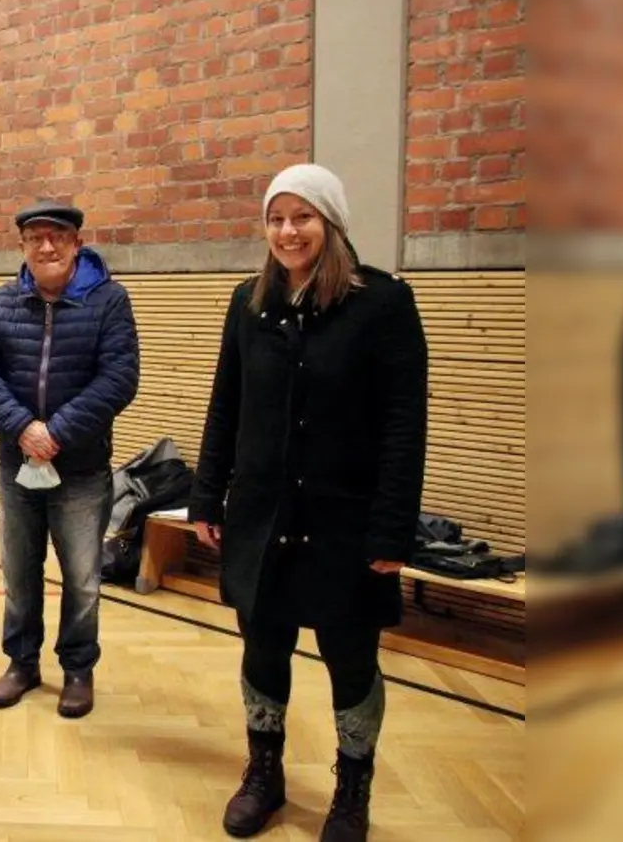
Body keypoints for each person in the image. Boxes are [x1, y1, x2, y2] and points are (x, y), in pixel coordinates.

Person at [187, 164, 428, 842]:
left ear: (331, 222)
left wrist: (392, 531)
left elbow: (404, 427)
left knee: (351, 659)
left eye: (303, 217)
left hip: (345, 524)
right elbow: (226, 406)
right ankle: (264, 772)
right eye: (277, 219)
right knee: (263, 650)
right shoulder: (249, 302)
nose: (288, 232)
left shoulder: (382, 304)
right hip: (261, 518)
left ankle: (352, 788)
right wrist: (207, 496)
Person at [0, 200, 140, 721]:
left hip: (81, 469)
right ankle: (22, 663)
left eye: (57, 237)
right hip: (16, 463)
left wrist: (56, 433)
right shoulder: (2, 302)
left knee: (82, 578)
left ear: (77, 243)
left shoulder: (109, 301)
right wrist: (22, 428)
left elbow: (119, 377)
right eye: (35, 238)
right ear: (22, 245)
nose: (46, 246)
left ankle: (78, 670)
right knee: (19, 572)